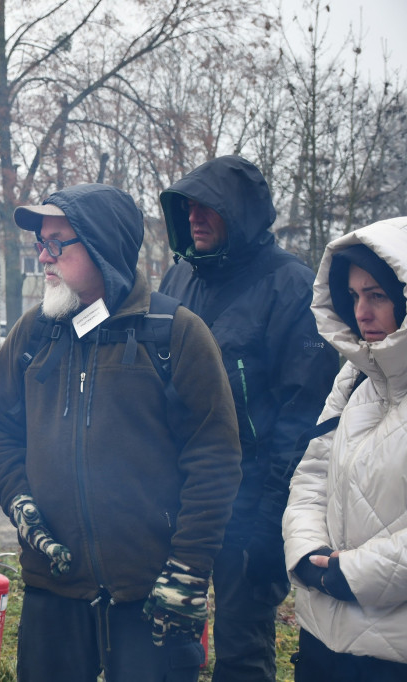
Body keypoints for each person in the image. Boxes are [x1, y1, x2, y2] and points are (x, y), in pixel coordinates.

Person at [0, 183, 242, 682]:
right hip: (52, 587)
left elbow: (214, 458)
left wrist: (188, 568)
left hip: (151, 593)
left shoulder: (175, 333)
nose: (44, 256)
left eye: (58, 242)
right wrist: (20, 502)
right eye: (41, 242)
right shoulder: (35, 332)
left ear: (102, 246)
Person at [158, 155, 339, 681]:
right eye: (187, 208)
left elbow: (304, 415)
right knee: (168, 632)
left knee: (241, 649)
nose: (194, 218)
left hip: (251, 497)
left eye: (207, 208)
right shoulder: (178, 276)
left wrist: (268, 522)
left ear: (240, 213)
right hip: (181, 494)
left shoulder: (293, 289)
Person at [283, 217, 407, 680]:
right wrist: (306, 552)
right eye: (354, 296)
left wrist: (349, 575)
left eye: (377, 295)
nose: (362, 312)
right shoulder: (355, 376)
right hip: (321, 639)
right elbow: (312, 475)